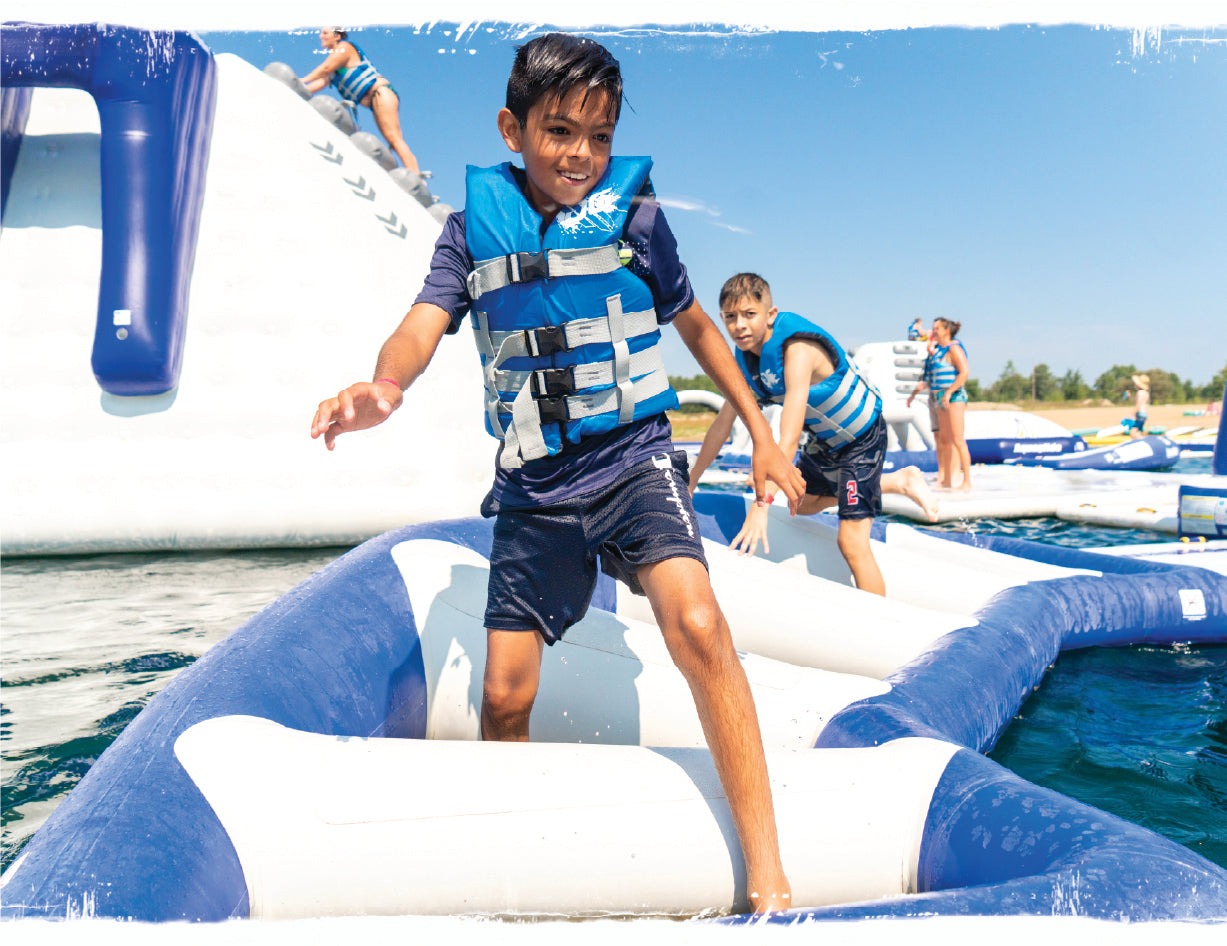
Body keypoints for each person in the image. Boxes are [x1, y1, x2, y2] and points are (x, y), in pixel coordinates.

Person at [310, 33, 802, 914]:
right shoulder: (469, 232)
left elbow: (693, 327)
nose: (580, 155)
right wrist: (383, 387)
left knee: (698, 624)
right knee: (503, 694)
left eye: (599, 136)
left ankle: (770, 881)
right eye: (559, 131)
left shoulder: (636, 221)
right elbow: (422, 324)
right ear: (513, 127)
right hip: (535, 487)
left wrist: (761, 435)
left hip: (631, 459)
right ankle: (523, 873)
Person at [687, 273, 938, 597]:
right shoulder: (746, 365)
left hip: (861, 439)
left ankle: (879, 627)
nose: (740, 325)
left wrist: (761, 506)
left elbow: (788, 436)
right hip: (825, 442)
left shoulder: (797, 351)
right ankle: (896, 482)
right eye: (731, 317)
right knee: (798, 502)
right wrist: (691, 481)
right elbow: (721, 426)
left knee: (850, 542)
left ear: (770, 314)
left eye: (750, 314)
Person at [301, 28, 422, 173]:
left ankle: (416, 178)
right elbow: (322, 81)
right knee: (392, 140)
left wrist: (302, 80)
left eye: (325, 33)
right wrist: (300, 89)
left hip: (380, 92)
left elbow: (325, 68)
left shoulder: (345, 48)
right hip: (375, 100)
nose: (321, 36)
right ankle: (407, 174)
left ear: (337, 36)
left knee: (394, 138)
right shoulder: (335, 68)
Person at [909, 318, 971, 491]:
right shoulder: (937, 351)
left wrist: (950, 391)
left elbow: (964, 372)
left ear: (946, 330)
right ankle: (948, 480)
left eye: (936, 328)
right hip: (938, 397)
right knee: (944, 440)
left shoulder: (954, 348)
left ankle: (967, 481)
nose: (933, 331)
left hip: (953, 397)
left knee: (957, 439)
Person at [1130, 373, 1150, 437]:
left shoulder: (1140, 392)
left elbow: (1138, 405)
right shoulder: (1145, 393)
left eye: (1135, 383)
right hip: (1144, 414)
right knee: (1137, 432)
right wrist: (1129, 396)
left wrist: (1131, 414)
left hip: (1140, 414)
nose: (1134, 385)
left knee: (1133, 433)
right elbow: (1137, 401)